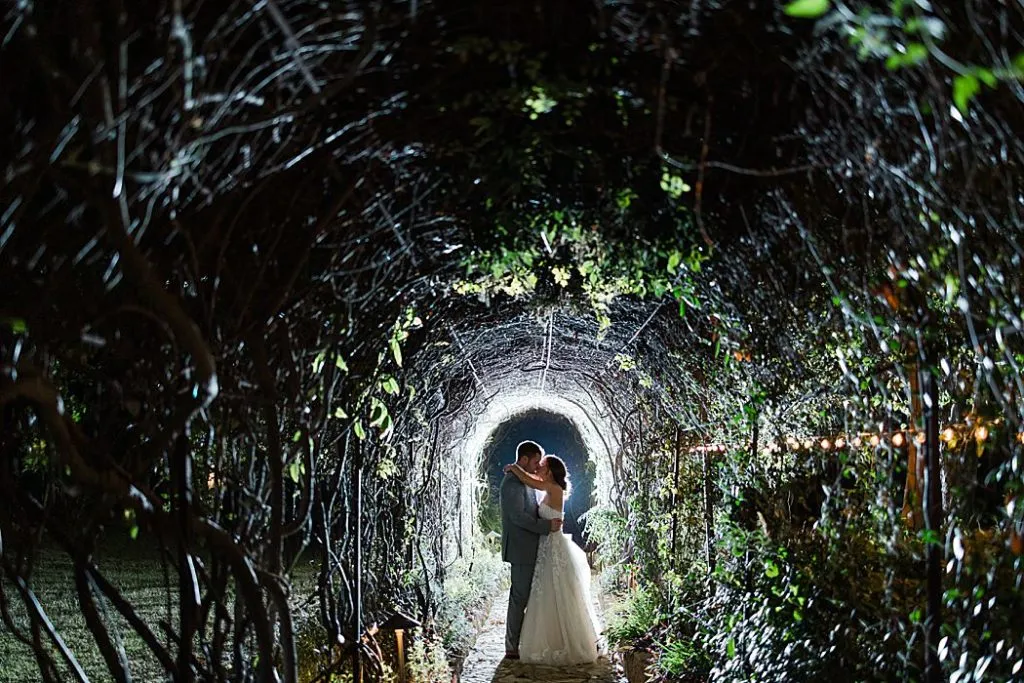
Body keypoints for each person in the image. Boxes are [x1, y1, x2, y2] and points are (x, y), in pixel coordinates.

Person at [503, 454, 602, 665]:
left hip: (553, 546)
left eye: (542, 465)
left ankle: (563, 641)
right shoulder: (548, 487)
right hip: (546, 546)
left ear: (548, 471)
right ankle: (550, 636)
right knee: (548, 593)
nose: (538, 467)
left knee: (557, 592)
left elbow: (529, 480)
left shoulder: (553, 488)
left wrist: (514, 467)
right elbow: (531, 483)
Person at [499, 440, 562, 659]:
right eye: (535, 462)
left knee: (529, 597)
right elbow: (518, 517)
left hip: (533, 546)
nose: (537, 467)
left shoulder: (524, 479)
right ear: (523, 459)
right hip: (521, 549)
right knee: (519, 598)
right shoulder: (512, 484)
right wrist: (546, 525)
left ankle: (524, 641)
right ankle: (511, 646)